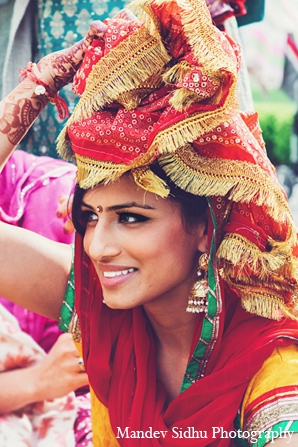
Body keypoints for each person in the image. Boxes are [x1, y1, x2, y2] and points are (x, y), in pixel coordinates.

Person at [0, 1, 298, 447]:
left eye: (132, 218)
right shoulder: (99, 305)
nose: (98, 247)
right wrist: (42, 81)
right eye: (89, 216)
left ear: (205, 227)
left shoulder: (271, 368)